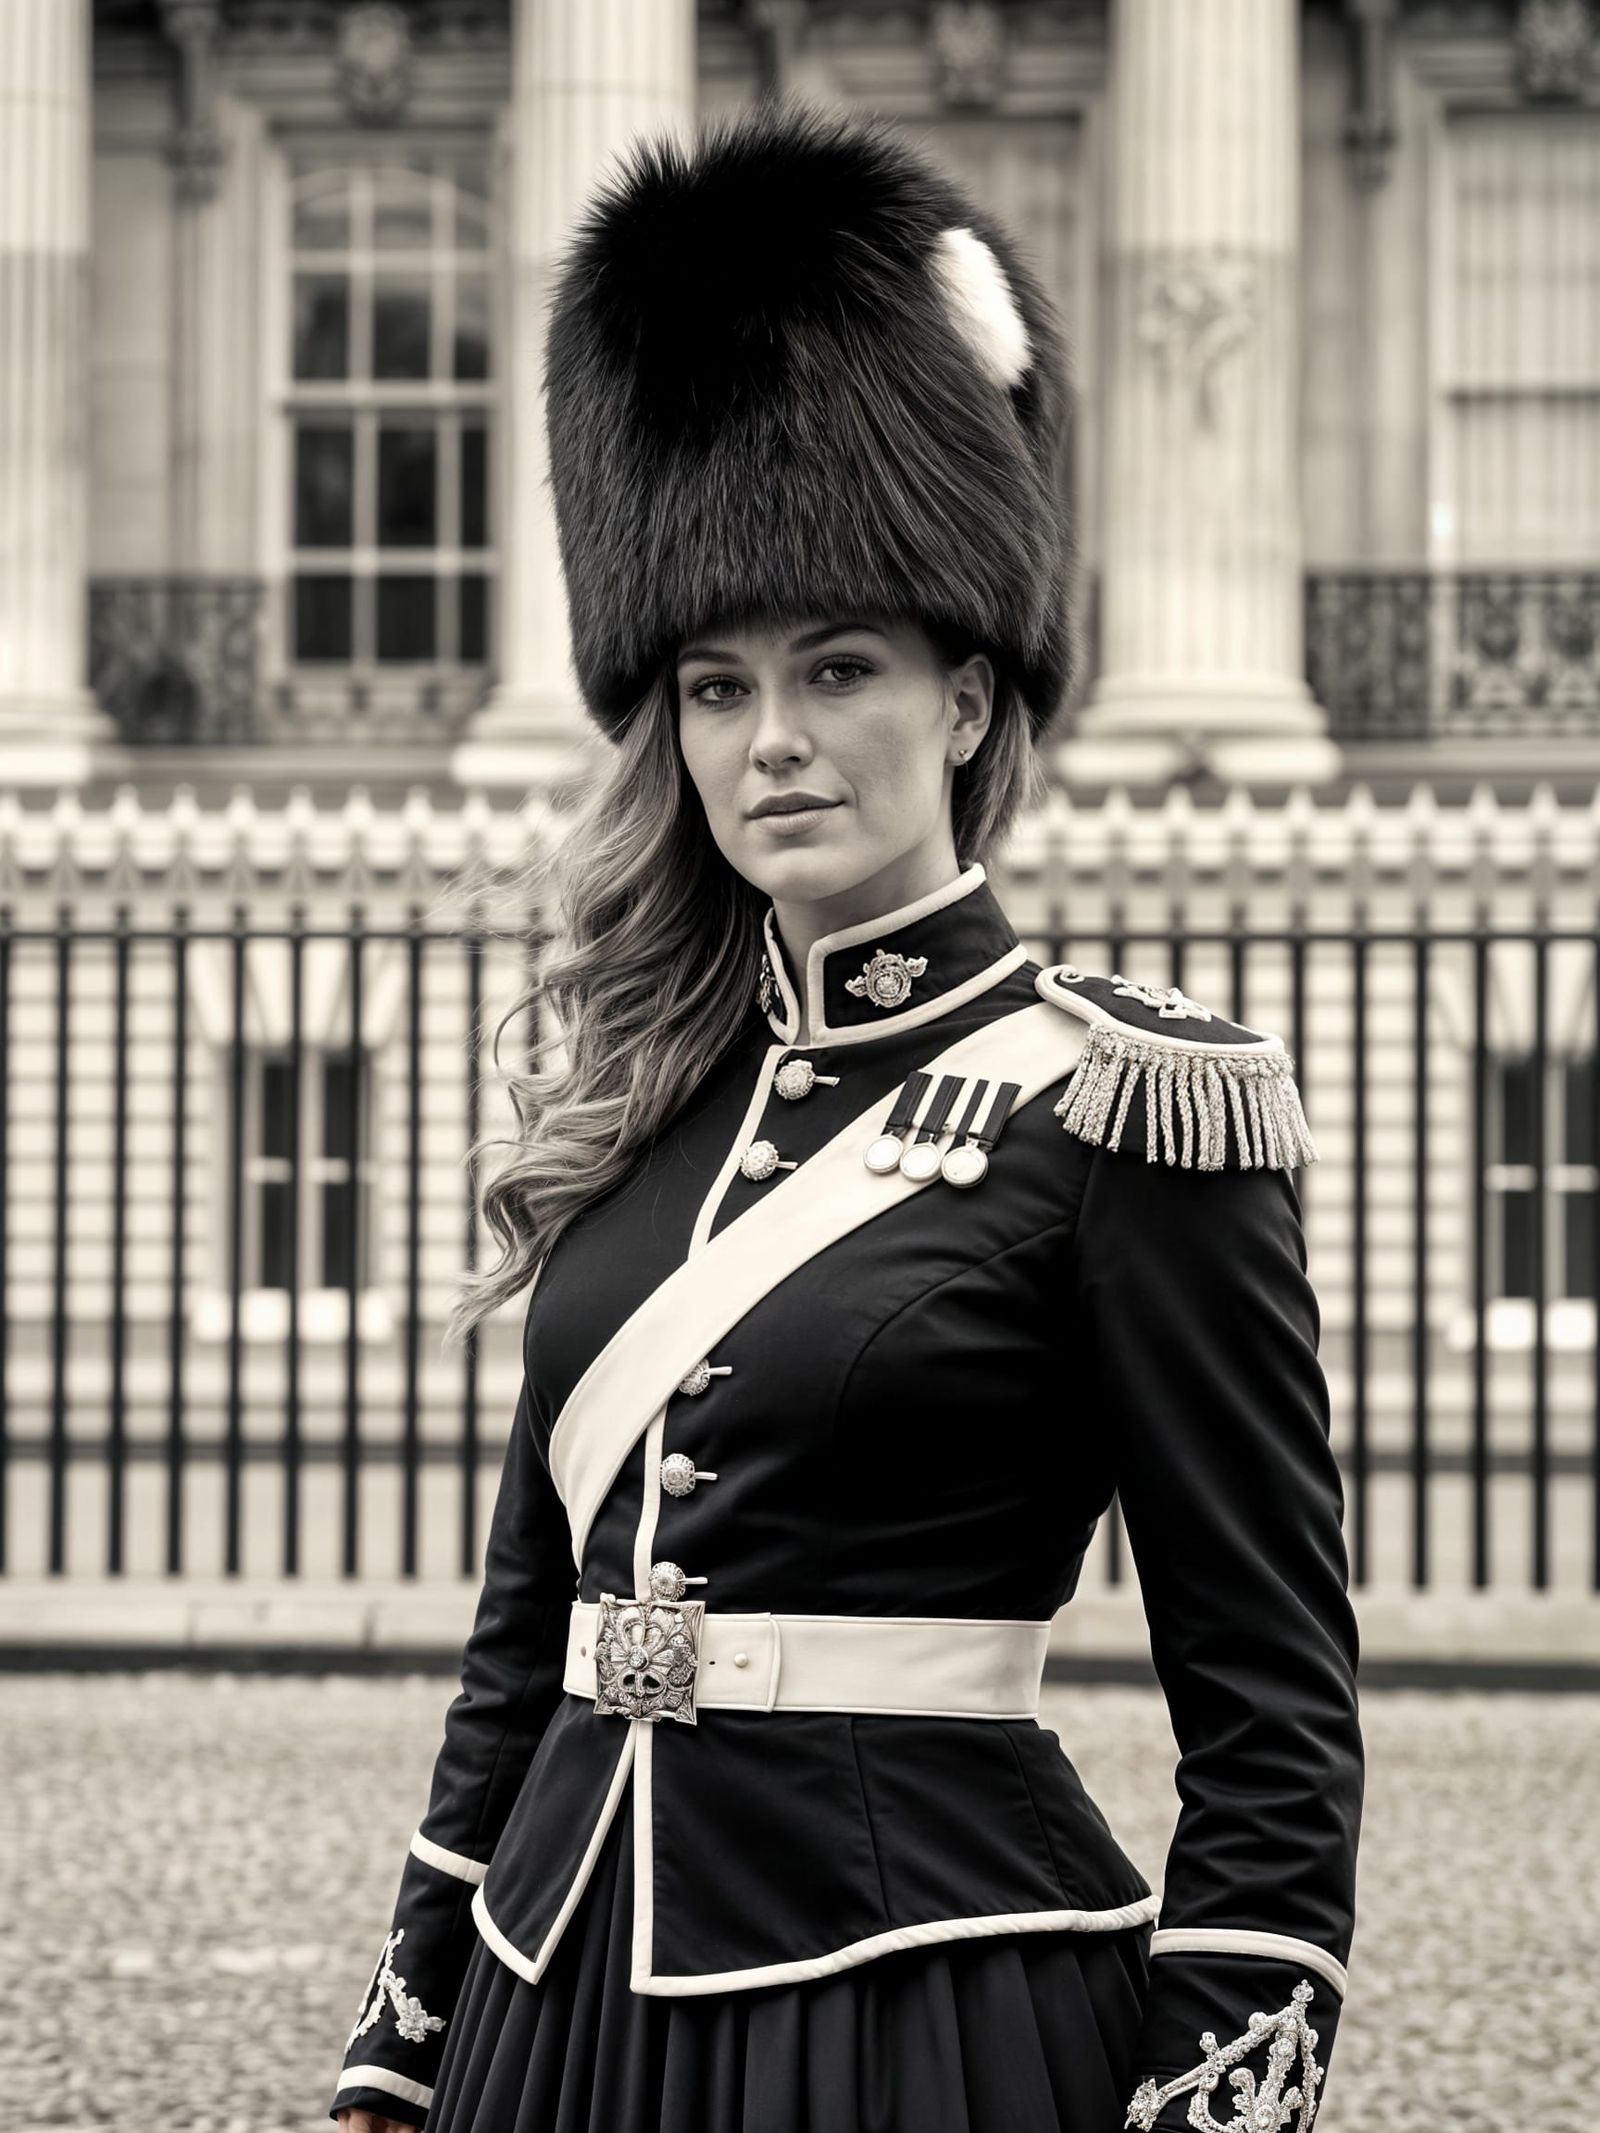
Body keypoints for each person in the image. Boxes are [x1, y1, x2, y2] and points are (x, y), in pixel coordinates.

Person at [331, 96, 1362, 2133]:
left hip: (914, 2002)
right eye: (712, 683)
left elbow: (1270, 1703)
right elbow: (528, 1630)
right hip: (563, 1994)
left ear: (962, 702)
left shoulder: (1129, 1105)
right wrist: (410, 2016)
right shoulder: (642, 1097)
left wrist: (1218, 2082)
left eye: (835, 665)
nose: (772, 739)